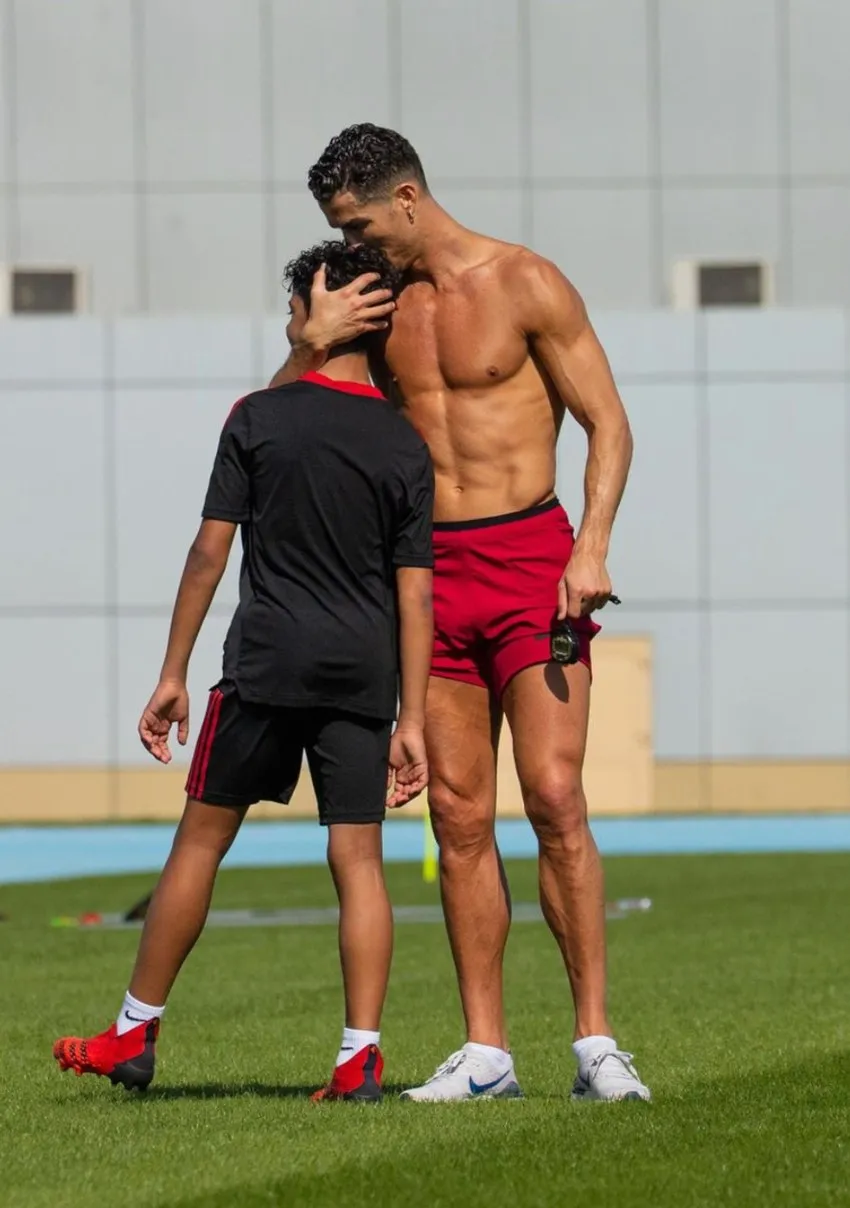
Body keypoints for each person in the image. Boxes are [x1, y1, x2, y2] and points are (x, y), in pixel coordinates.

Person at [270, 124, 650, 1103]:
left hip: (533, 564)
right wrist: (308, 345)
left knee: (557, 797)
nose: (353, 246)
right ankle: (487, 1052)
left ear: (404, 198)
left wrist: (592, 546)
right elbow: (275, 429)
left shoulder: (525, 281)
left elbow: (609, 420)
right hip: (427, 578)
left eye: (357, 224)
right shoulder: (368, 304)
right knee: (458, 813)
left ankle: (596, 1043)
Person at [53, 240, 435, 1103]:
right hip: (363, 677)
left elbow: (206, 555)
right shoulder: (406, 444)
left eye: (297, 307)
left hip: (264, 665)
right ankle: (359, 1059)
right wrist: (411, 717)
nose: (290, 321)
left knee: (200, 841)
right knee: (360, 861)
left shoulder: (256, 417)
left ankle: (132, 1035)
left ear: (319, 313)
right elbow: (417, 599)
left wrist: (172, 672)